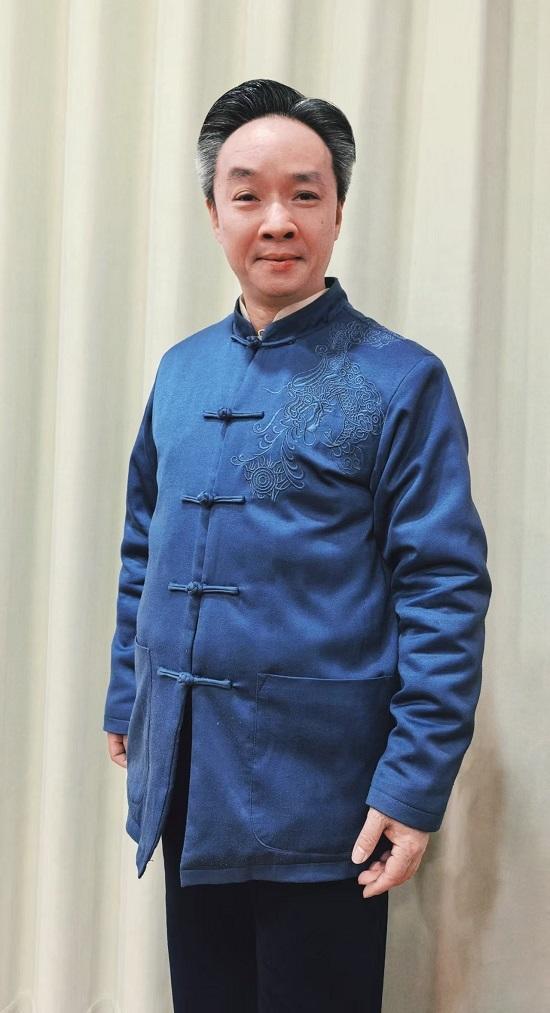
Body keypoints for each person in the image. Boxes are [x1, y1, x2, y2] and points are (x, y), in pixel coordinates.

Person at [103, 79, 492, 1012]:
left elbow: (443, 591)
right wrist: (130, 698)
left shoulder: (400, 380)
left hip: (325, 795)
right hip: (189, 777)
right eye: (248, 194)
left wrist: (413, 784)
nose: (277, 220)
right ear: (214, 213)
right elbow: (143, 544)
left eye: (304, 194)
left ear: (338, 212)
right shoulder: (182, 370)